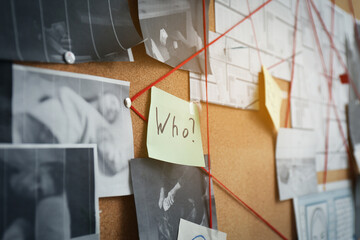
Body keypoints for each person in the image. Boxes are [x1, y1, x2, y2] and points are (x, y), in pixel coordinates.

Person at [13, 86, 125, 176]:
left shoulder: (101, 127)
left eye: (114, 112)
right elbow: (64, 91)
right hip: (37, 120)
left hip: (52, 142)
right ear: (102, 94)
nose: (113, 108)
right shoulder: (82, 105)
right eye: (113, 102)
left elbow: (106, 148)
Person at [1, 160, 70, 240]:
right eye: (37, 179)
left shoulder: (25, 215)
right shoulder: (3, 168)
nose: (31, 188)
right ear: (36, 166)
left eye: (39, 191)